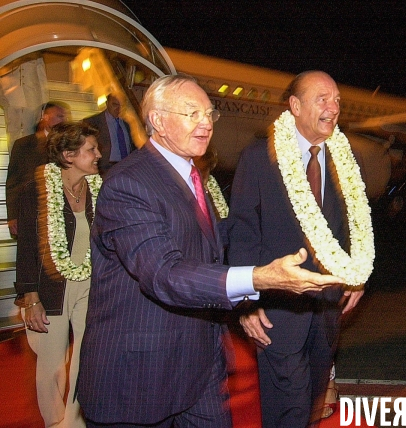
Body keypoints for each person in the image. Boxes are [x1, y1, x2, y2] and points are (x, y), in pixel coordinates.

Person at [77, 74, 343, 428]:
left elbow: (213, 251)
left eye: (208, 114)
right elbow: (164, 273)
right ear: (157, 120)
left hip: (202, 369)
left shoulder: (191, 177)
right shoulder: (129, 183)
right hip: (142, 376)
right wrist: (259, 279)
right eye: (192, 113)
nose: (205, 123)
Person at [228, 70, 373, 427]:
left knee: (308, 401)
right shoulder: (260, 156)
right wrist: (246, 302)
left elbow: (353, 224)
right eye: (322, 99)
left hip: (326, 308)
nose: (333, 107)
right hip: (278, 308)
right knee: (286, 406)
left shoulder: (344, 157)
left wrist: (357, 277)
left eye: (337, 100)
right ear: (295, 105)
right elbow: (243, 232)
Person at [15, 122, 102, 427]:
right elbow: (26, 247)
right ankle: (53, 421)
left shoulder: (98, 189)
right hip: (50, 288)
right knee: (52, 364)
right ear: (68, 154)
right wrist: (30, 297)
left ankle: (75, 421)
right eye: (91, 149)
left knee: (86, 357)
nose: (98, 155)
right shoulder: (35, 191)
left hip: (91, 286)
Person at [5, 101, 67, 236]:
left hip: (60, 213)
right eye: (59, 116)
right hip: (30, 211)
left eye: (65, 117)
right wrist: (13, 216)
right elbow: (13, 183)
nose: (64, 120)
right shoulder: (24, 145)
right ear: (45, 117)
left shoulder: (68, 146)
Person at [82, 93, 134, 175]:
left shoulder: (129, 123)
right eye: (115, 104)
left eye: (121, 105)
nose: (118, 108)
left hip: (126, 167)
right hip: (105, 167)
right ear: (107, 103)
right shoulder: (93, 122)